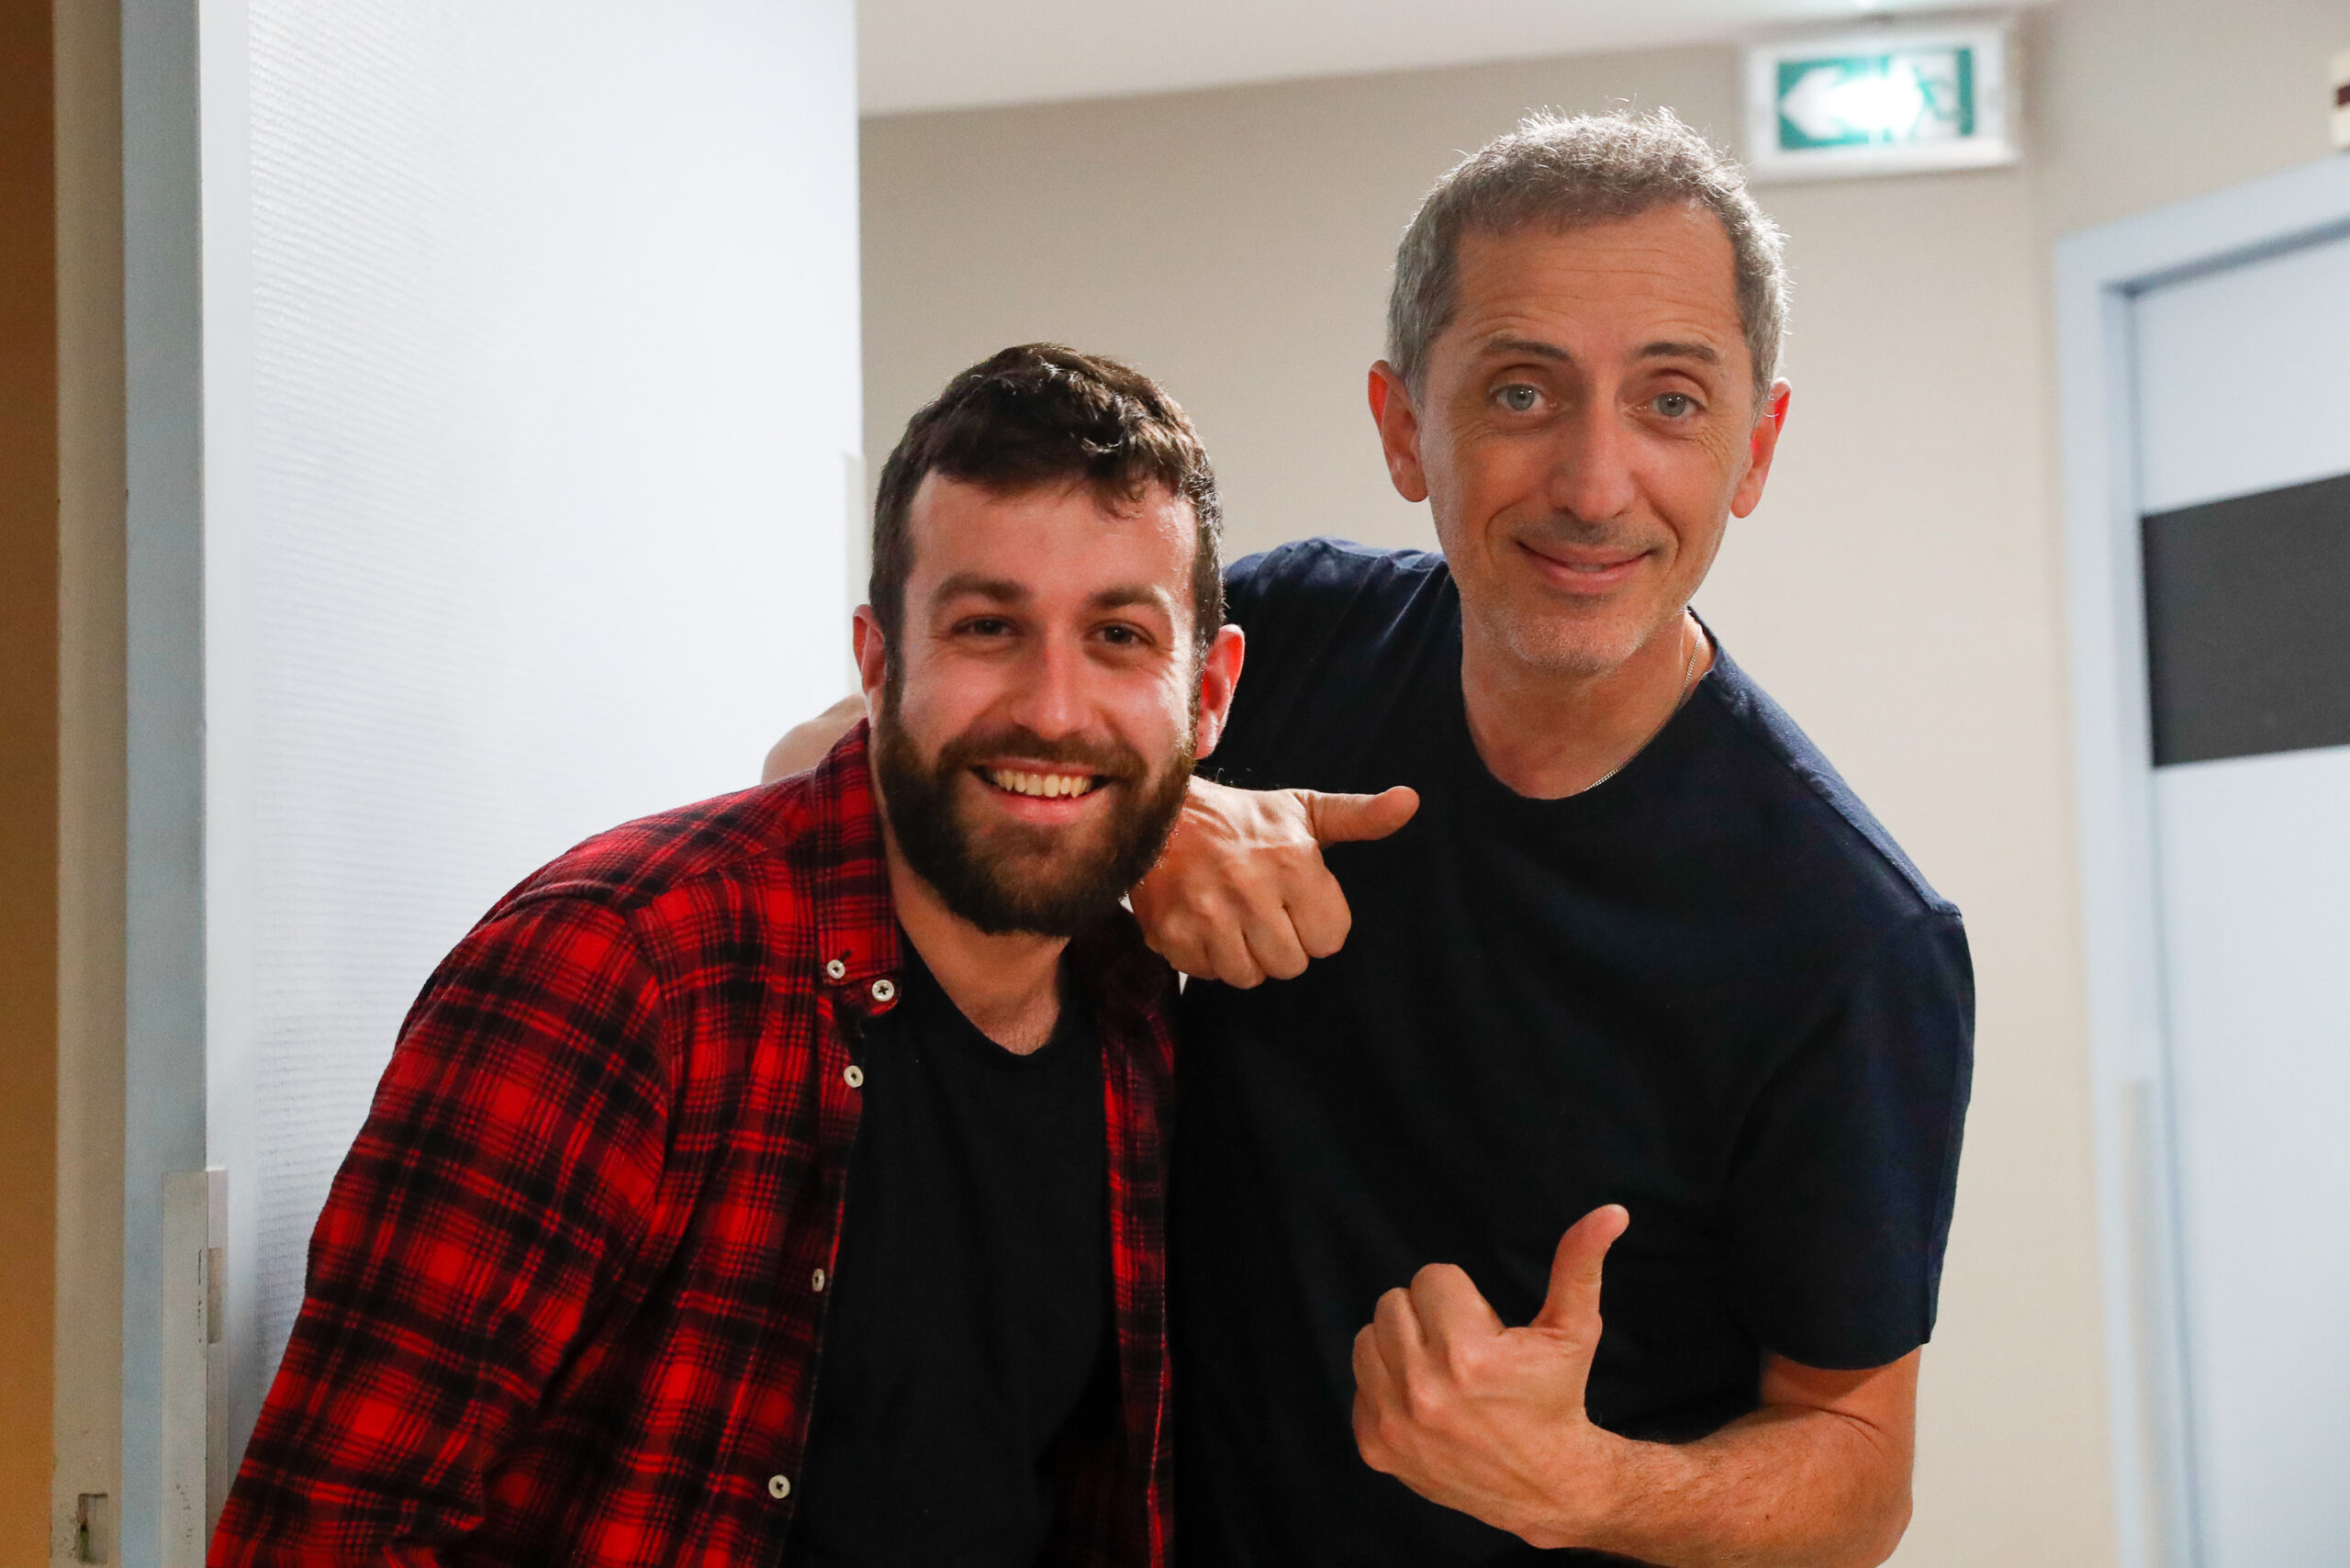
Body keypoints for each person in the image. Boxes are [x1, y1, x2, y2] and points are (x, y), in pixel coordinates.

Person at [210, 343, 1245, 1568]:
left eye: (1119, 637)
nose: (1054, 707)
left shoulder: (1143, 1026)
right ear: (878, 666)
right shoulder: (617, 970)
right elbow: (323, 1537)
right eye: (986, 627)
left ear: (1206, 698)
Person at [1140, 111, 1973, 1567]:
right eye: (1522, 394)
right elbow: (846, 756)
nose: (1595, 486)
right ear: (1407, 427)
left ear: (1754, 448)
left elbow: (1857, 1469)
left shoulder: (1851, 940)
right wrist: (1135, 821)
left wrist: (1585, 1485)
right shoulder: (1290, 644)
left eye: (1670, 403)